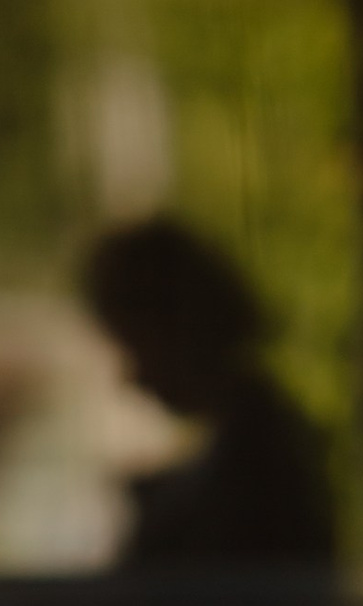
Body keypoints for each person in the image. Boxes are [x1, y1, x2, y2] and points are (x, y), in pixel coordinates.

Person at [82, 215, 336, 565]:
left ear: (175, 327)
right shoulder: (257, 441)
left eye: (134, 345)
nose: (131, 378)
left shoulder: (257, 465)